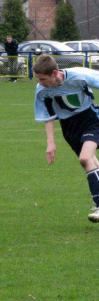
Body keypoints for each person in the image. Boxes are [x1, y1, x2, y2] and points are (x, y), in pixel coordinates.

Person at [33, 54, 99, 222]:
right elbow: (47, 116)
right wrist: (51, 143)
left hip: (91, 119)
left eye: (42, 79)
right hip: (69, 128)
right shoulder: (42, 90)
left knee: (85, 158)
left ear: (54, 73)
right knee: (92, 163)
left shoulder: (78, 76)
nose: (40, 83)